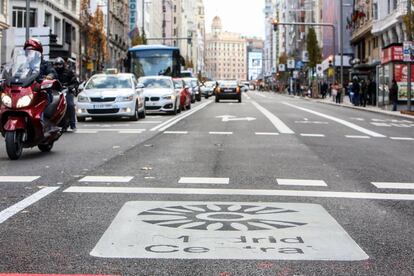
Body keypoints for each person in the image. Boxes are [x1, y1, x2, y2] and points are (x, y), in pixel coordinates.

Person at [54, 57, 79, 131]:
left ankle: (72, 124)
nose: (58, 66)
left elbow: (75, 82)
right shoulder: (52, 73)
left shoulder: (69, 72)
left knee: (70, 105)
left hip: (67, 91)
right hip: (55, 92)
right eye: (56, 64)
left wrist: (69, 87)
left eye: (59, 64)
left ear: (63, 64)